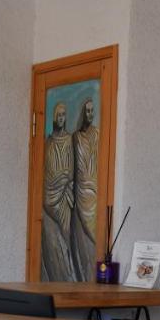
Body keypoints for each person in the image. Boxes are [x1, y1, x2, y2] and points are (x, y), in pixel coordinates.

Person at [41, 102, 77, 280]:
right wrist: (55, 181)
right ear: (55, 118)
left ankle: (69, 273)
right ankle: (55, 272)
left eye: (64, 115)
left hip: (64, 195)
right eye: (59, 115)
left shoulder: (69, 139)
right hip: (50, 193)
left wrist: (64, 180)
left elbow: (71, 168)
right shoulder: (48, 142)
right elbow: (45, 169)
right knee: (52, 237)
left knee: (66, 233)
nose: (61, 118)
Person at [71, 98, 99, 278]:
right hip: (79, 192)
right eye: (87, 111)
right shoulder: (76, 137)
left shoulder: (98, 134)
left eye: (92, 111)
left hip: (95, 193)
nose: (90, 114)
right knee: (81, 239)